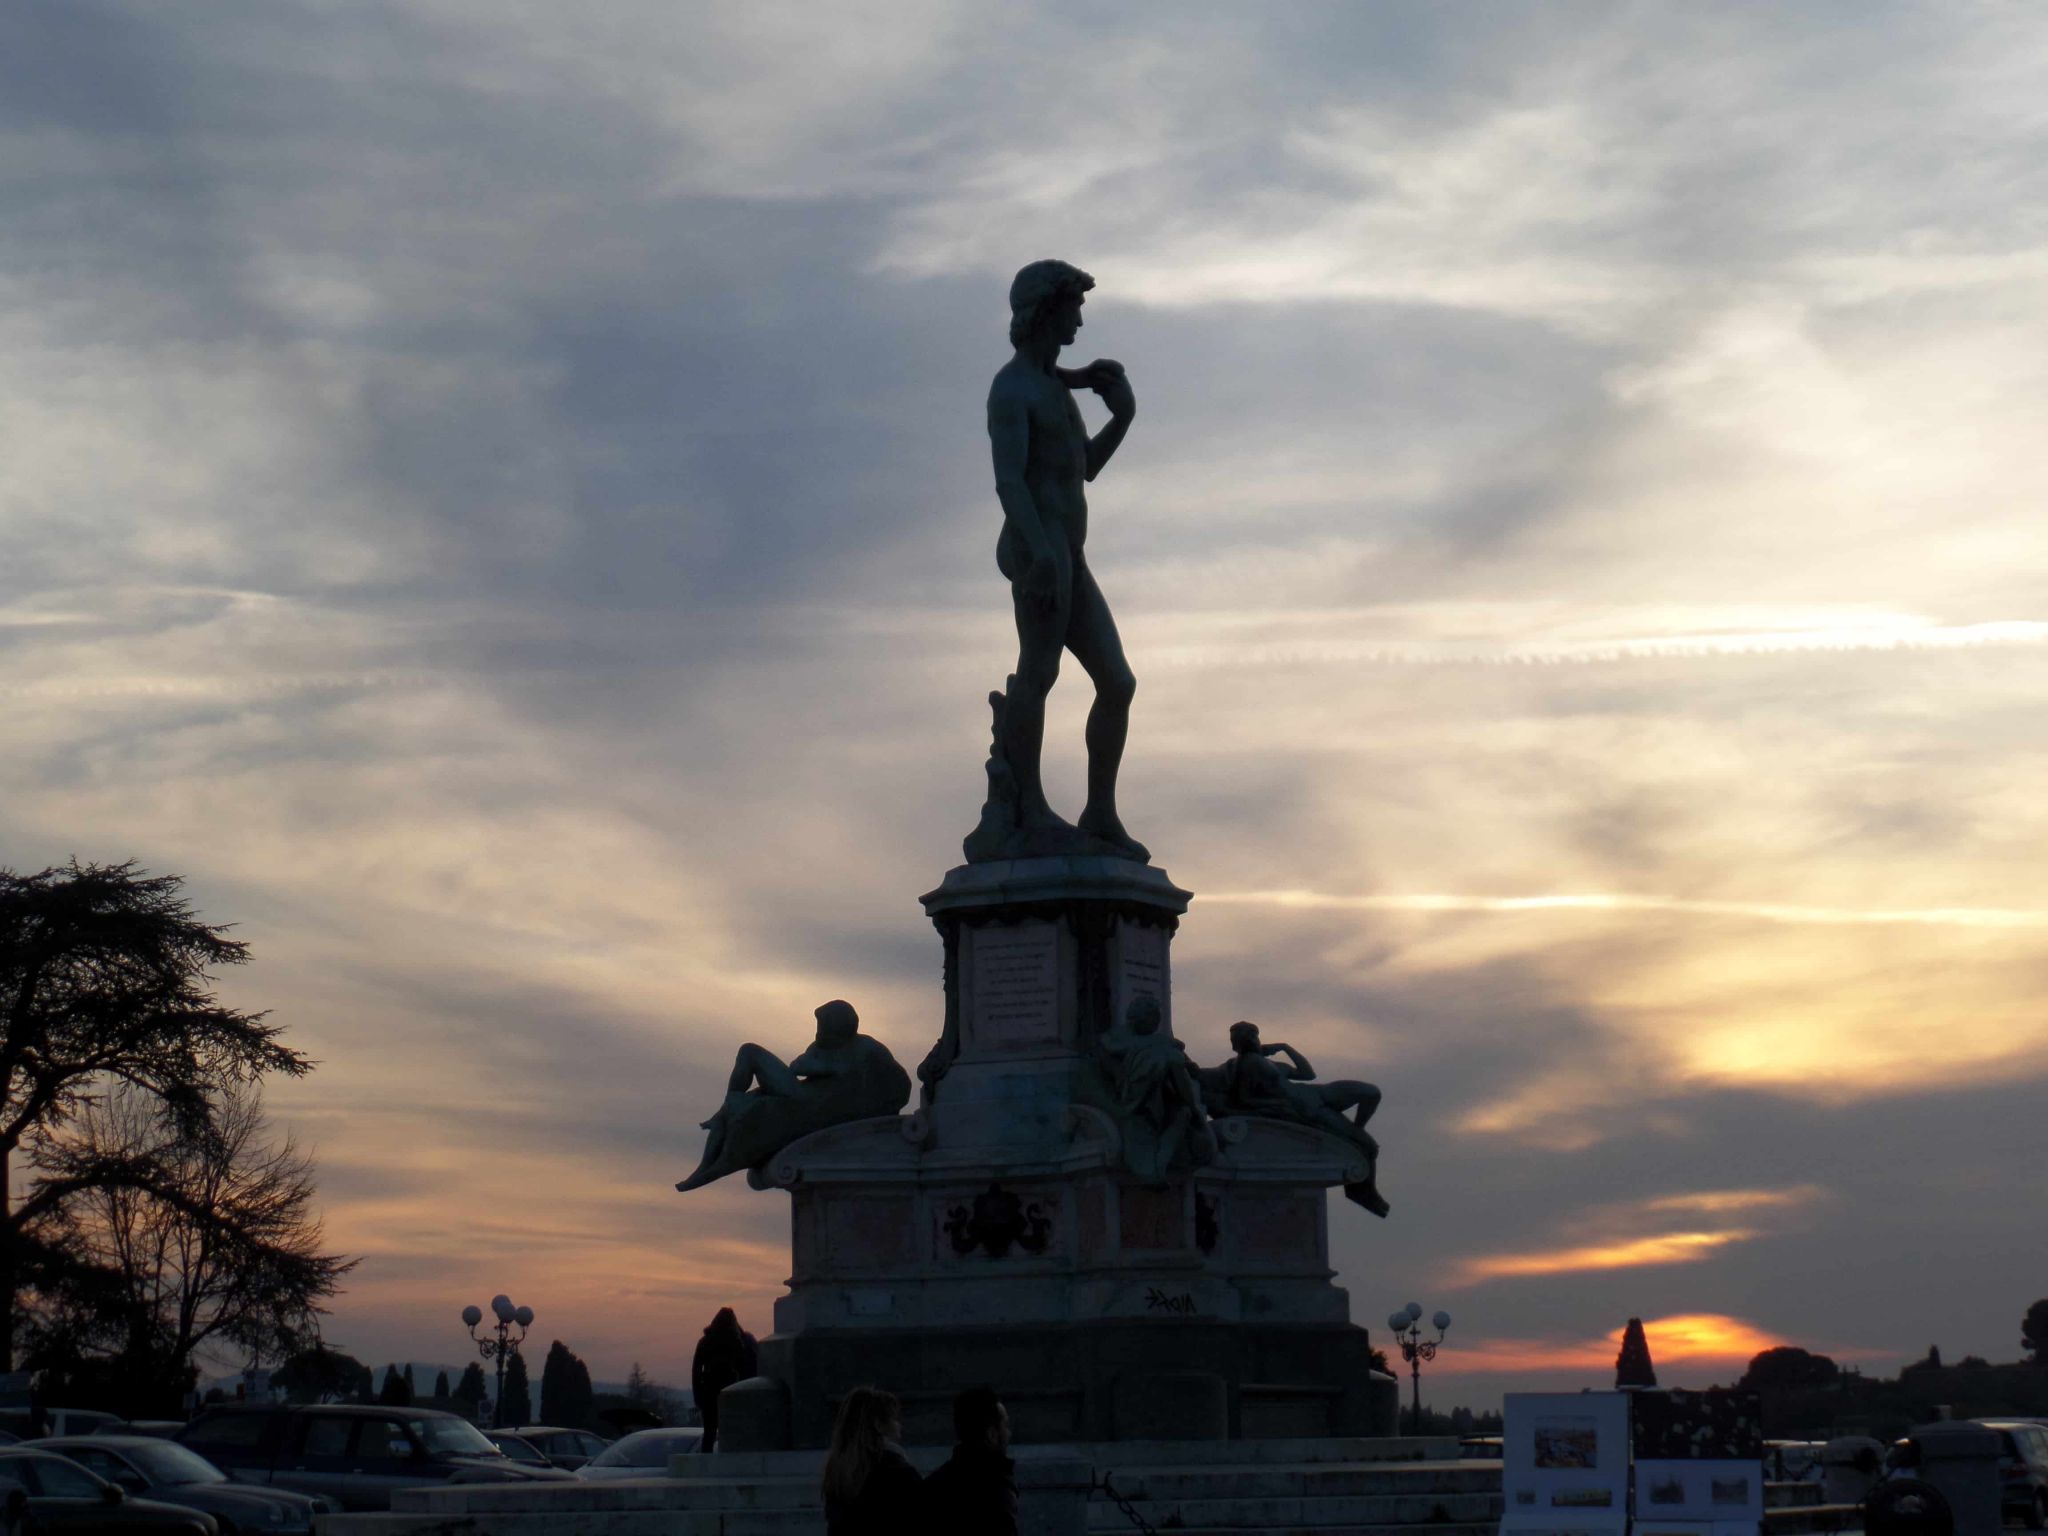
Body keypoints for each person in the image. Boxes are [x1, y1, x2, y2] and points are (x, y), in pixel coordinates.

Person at [985, 258, 1147, 861]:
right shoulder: (1013, 389)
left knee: (1117, 681)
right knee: (1040, 674)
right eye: (1072, 306)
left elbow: (1085, 468)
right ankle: (1028, 807)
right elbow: (1009, 482)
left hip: (1070, 557)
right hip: (1040, 557)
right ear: (1045, 311)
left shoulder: (1053, 386)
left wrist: (1123, 417)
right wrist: (1041, 554)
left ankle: (1099, 814)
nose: (1080, 318)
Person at [821, 1385, 923, 1536]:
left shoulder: (837, 1473)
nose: (899, 1425)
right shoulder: (897, 1471)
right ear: (878, 1425)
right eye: (893, 1419)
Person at [923, 1386, 1018, 1536]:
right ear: (992, 1434)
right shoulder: (996, 1489)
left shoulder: (934, 1484)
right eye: (1005, 1425)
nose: (1009, 1433)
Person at [691, 1307, 758, 1453]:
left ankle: (707, 1465)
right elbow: (753, 1367)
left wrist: (699, 1396)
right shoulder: (744, 1341)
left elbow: (696, 1372)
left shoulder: (705, 1342)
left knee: (709, 1434)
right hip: (735, 1394)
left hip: (711, 1395)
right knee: (734, 1433)